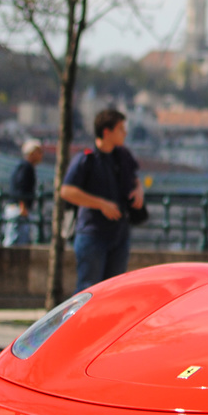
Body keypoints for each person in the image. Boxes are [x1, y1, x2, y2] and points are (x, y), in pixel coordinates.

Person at [60, 108, 145, 292]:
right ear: (107, 132)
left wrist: (139, 191)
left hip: (120, 233)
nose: (125, 133)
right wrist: (101, 204)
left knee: (113, 291)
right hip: (93, 234)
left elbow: (135, 178)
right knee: (89, 290)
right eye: (121, 129)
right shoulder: (86, 158)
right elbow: (66, 191)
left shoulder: (123, 155)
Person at [4, 139, 43, 247]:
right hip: (19, 209)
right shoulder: (26, 167)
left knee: (16, 239)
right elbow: (20, 186)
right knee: (17, 240)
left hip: (17, 207)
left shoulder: (22, 166)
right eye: (39, 152)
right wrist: (23, 205)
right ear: (32, 153)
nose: (41, 155)